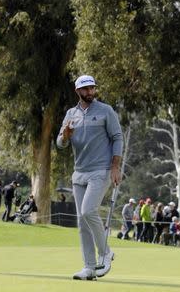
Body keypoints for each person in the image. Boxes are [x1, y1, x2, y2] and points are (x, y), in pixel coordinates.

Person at [57, 75, 123, 280]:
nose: (90, 92)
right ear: (77, 91)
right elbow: (60, 143)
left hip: (101, 170)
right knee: (82, 221)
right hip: (79, 173)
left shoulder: (106, 111)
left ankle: (105, 252)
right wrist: (65, 136)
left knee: (88, 211)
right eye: (85, 89)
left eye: (92, 88)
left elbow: (117, 137)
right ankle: (89, 267)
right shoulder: (71, 114)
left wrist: (115, 167)